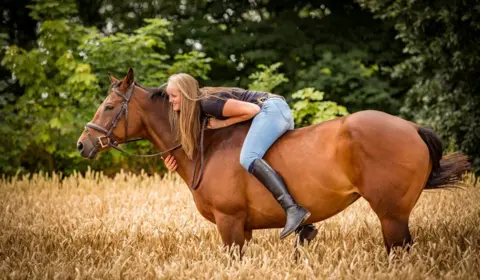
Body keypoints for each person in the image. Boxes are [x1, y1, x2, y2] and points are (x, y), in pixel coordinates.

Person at [163, 73, 310, 239]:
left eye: (174, 96)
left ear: (186, 93)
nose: (170, 100)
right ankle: (305, 224)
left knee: (248, 157)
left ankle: (293, 210)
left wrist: (221, 124)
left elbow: (252, 110)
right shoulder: (198, 109)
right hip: (272, 111)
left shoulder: (207, 102)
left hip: (272, 109)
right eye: (169, 96)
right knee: (270, 162)